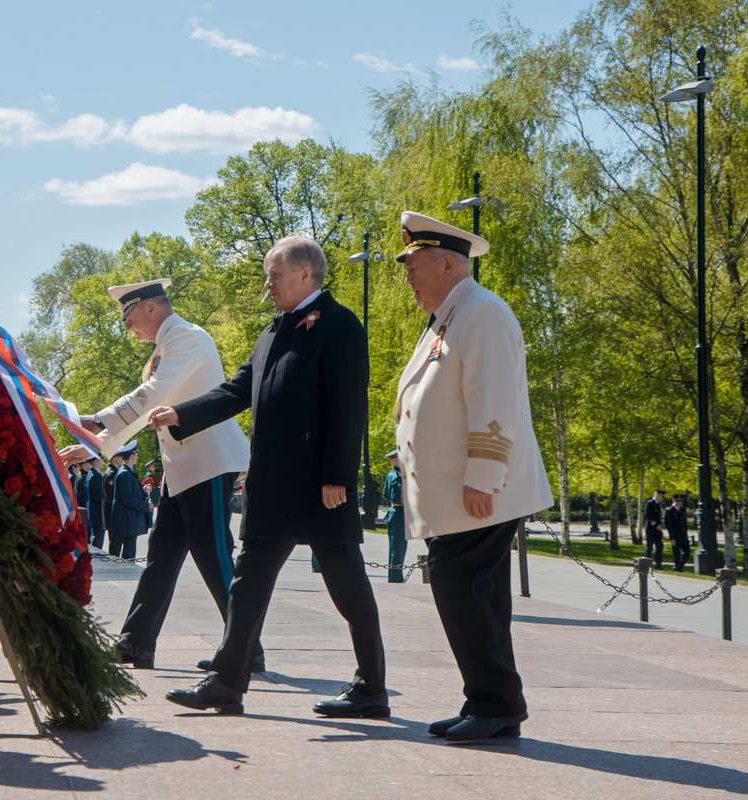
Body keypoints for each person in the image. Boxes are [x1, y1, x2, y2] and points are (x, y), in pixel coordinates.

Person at [149, 236, 387, 718]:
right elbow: (238, 389)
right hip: (273, 485)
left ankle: (371, 688)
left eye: (274, 274)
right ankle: (227, 681)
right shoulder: (274, 330)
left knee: (348, 588)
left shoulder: (340, 325)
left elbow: (349, 407)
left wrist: (338, 474)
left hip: (322, 487)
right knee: (247, 583)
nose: (267, 283)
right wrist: (182, 413)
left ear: (305, 274)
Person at [390, 211, 553, 743]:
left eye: (413, 264)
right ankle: (490, 702)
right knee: (477, 594)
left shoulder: (481, 313)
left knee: (462, 588)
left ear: (446, 262)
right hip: (457, 490)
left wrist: (483, 475)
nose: (408, 275)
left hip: (477, 491)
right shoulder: (452, 315)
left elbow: (495, 400)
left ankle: (495, 702)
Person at [57, 278, 252, 671]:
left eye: (128, 316)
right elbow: (148, 407)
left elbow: (153, 395)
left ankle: (247, 648)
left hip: (208, 463)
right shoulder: (165, 348)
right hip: (183, 469)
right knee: (160, 558)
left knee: (215, 558)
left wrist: (97, 421)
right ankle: (137, 642)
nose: (127, 327)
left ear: (149, 307)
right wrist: (98, 446)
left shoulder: (185, 337)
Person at [108, 441, 150, 559]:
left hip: (128, 519)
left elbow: (130, 493)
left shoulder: (127, 472)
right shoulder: (125, 473)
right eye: (136, 454)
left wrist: (143, 490)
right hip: (127, 520)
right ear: (132, 455)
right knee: (128, 553)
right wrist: (146, 506)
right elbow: (127, 498)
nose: (137, 457)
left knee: (129, 550)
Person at [381, 449, 406, 583]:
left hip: (393, 513)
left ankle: (395, 576)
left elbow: (385, 494)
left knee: (395, 547)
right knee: (398, 548)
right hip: (399, 514)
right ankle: (396, 577)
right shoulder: (398, 476)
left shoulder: (390, 474)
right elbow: (399, 498)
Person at [84, 456, 107, 549]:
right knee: (98, 537)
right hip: (97, 512)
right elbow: (99, 496)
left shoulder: (91, 474)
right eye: (102, 460)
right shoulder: (95, 476)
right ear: (96, 460)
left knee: (95, 535)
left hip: (94, 512)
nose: (103, 462)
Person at [665, 494, 690, 572]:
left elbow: (684, 524)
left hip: (683, 535)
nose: (679, 503)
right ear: (673, 500)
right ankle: (678, 568)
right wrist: (672, 538)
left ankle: (680, 565)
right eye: (677, 501)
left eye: (680, 501)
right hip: (675, 535)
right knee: (676, 553)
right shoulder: (669, 511)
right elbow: (669, 526)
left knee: (687, 551)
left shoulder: (682, 510)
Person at [644, 489, 666, 569]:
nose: (662, 498)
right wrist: (656, 525)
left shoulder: (658, 505)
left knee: (659, 546)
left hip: (657, 530)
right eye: (662, 496)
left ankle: (658, 565)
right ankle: (646, 564)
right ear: (657, 495)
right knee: (649, 547)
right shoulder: (649, 503)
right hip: (650, 529)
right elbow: (647, 516)